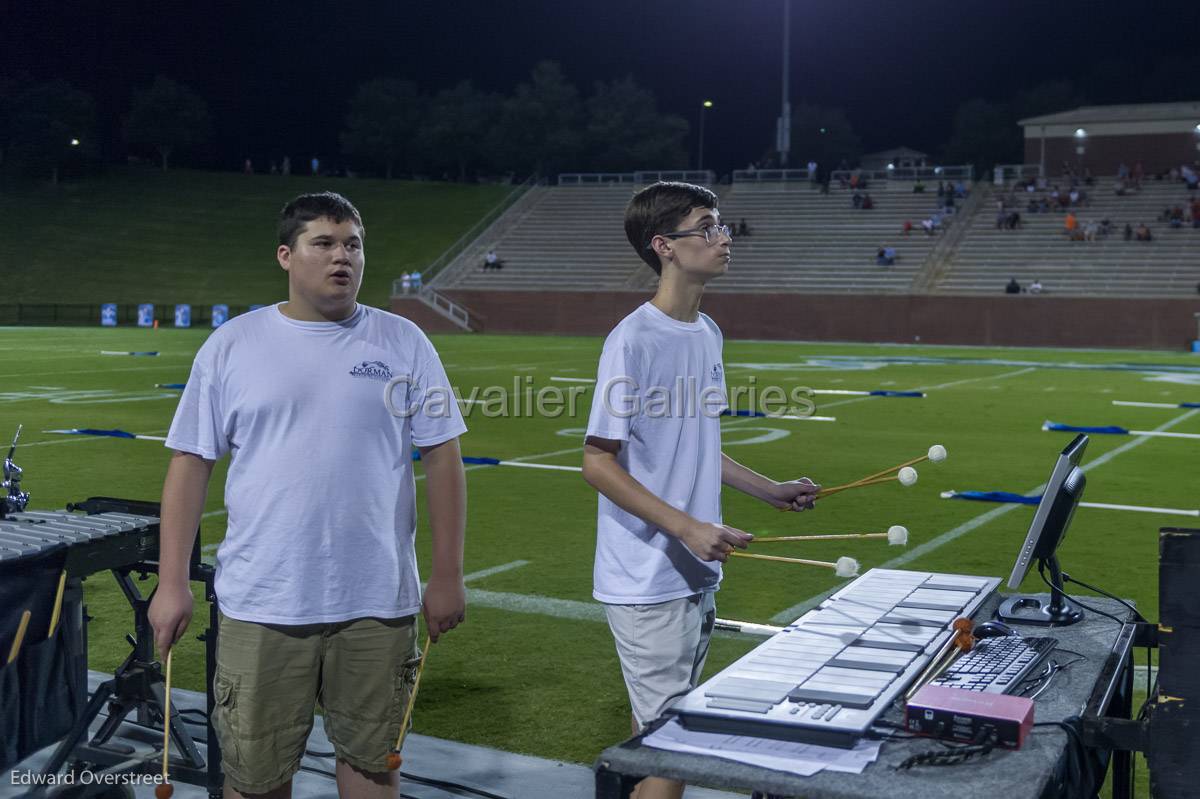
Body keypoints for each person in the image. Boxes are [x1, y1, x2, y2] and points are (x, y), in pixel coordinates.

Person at [149, 192, 468, 799]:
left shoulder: (404, 342)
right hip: (263, 600)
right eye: (323, 243)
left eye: (353, 244)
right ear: (285, 256)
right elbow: (190, 464)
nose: (342, 257)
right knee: (254, 777)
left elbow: (444, 457)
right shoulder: (232, 345)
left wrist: (447, 574)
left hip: (377, 599)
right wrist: (172, 583)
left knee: (375, 765)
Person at [583, 182, 820, 799]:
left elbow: (697, 444)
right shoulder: (633, 340)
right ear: (664, 246)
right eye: (707, 227)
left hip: (694, 572)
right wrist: (687, 527)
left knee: (653, 739)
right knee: (674, 754)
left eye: (722, 226)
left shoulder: (706, 332)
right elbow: (597, 462)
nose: (723, 238)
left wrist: (769, 490)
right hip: (647, 577)